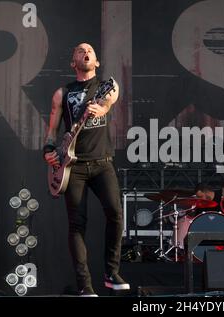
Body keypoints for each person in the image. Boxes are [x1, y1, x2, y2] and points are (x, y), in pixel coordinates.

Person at [43, 43, 129, 296]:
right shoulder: (62, 93)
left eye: (90, 50)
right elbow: (52, 131)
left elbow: (110, 101)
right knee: (76, 224)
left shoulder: (106, 86)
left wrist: (101, 108)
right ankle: (85, 286)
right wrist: (49, 151)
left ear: (97, 62)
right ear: (73, 62)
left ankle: (111, 273)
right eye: (80, 51)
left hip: (102, 162)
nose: (86, 53)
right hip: (73, 166)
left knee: (115, 214)